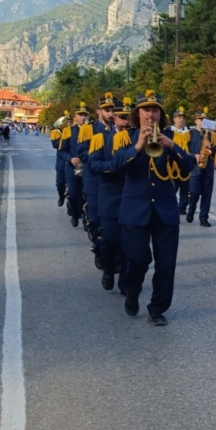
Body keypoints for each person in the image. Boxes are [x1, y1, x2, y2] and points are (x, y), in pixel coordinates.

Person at [112, 91, 195, 325]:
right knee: (137, 258)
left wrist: (173, 148)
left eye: (155, 110)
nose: (151, 114)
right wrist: (137, 147)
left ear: (161, 114)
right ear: (137, 114)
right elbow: (115, 167)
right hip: (134, 209)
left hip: (165, 209)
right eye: (146, 110)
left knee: (166, 264)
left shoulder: (172, 137)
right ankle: (132, 289)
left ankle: (157, 308)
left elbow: (188, 168)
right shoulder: (125, 138)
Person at [89, 96, 134, 293]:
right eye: (121, 117)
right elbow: (93, 164)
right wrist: (113, 167)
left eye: (128, 118)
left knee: (129, 242)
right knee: (109, 239)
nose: (125, 122)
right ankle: (108, 270)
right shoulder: (102, 139)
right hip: (110, 195)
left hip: (133, 197)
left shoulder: (139, 139)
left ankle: (125, 278)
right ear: (114, 118)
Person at [80, 94, 115, 261]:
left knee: (113, 223)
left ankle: (112, 257)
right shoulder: (90, 129)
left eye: (113, 111)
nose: (110, 114)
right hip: (94, 180)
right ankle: (98, 249)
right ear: (98, 111)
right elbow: (82, 152)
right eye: (107, 110)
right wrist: (100, 160)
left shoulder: (122, 129)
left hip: (114, 183)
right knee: (94, 220)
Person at [187, 108, 216, 227]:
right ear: (195, 121)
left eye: (204, 119)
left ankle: (203, 218)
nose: (202, 121)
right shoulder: (189, 134)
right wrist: (194, 155)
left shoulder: (213, 135)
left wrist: (210, 148)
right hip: (195, 168)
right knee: (194, 193)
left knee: (207, 194)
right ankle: (191, 210)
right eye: (200, 119)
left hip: (208, 168)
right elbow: (184, 151)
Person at [63, 103, 91, 226]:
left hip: (88, 167)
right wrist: (70, 159)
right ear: (75, 116)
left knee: (86, 195)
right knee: (74, 194)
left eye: (85, 115)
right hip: (73, 167)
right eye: (81, 115)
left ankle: (86, 219)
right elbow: (62, 150)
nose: (83, 117)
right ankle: (74, 213)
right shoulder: (68, 131)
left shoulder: (93, 130)